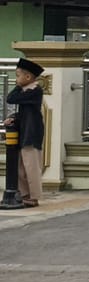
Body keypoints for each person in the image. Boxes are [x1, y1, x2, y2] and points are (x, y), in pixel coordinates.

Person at [4, 58, 46, 209]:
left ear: (28, 77)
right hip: (25, 131)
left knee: (31, 166)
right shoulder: (26, 91)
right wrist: (13, 118)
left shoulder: (34, 90)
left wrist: (17, 87)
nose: (16, 79)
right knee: (21, 166)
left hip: (32, 132)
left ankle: (33, 197)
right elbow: (23, 112)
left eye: (18, 76)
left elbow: (11, 99)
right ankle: (25, 195)